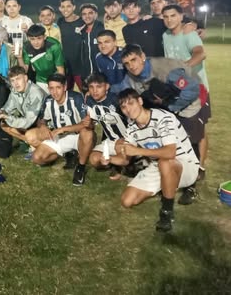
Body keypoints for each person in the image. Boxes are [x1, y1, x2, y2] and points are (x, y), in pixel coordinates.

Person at [120, 44, 204, 204]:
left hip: (188, 101)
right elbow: (123, 92)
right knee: (163, 138)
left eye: (134, 60)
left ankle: (191, 185)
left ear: (142, 57)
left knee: (189, 140)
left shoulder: (165, 69)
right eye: (127, 63)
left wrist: (171, 108)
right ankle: (166, 175)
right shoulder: (131, 76)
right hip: (166, 103)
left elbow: (192, 90)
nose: (131, 66)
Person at [114, 88, 200, 232]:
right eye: (123, 107)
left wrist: (138, 151)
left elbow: (170, 152)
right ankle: (166, 187)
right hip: (158, 166)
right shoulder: (132, 128)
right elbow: (125, 160)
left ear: (140, 101)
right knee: (127, 201)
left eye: (131, 103)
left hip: (185, 164)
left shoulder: (163, 118)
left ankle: (166, 213)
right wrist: (108, 159)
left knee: (165, 162)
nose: (128, 109)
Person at [162, 4, 210, 178]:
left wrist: (185, 67)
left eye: (173, 15)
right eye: (166, 17)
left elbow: (200, 53)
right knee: (181, 128)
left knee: (199, 130)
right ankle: (186, 163)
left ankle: (200, 167)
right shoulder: (166, 36)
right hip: (178, 90)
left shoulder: (189, 34)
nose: (169, 20)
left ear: (181, 16)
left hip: (197, 89)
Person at [23, 73, 93, 185]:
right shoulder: (48, 100)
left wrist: (63, 129)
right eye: (51, 88)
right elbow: (41, 120)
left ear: (65, 87)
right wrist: (43, 126)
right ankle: (66, 154)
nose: (55, 92)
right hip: (60, 137)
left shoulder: (76, 97)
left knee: (88, 133)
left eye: (58, 88)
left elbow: (87, 124)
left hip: (78, 136)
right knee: (36, 156)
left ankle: (80, 167)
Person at [85, 73, 129, 179]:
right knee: (94, 159)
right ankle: (114, 163)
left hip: (127, 139)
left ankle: (123, 166)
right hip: (111, 140)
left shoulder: (116, 100)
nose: (95, 91)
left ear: (107, 86)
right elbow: (92, 124)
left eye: (99, 87)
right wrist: (89, 123)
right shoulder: (90, 101)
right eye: (91, 87)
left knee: (121, 148)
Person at [0, 66, 47, 146]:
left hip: (45, 125)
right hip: (30, 122)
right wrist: (0, 112)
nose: (16, 83)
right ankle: (32, 143)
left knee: (28, 134)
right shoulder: (15, 91)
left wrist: (7, 117)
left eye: (18, 79)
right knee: (3, 124)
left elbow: (27, 122)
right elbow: (8, 107)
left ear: (25, 78)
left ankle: (43, 145)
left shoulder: (35, 93)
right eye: (12, 80)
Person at [19, 24, 64, 92]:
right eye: (32, 39)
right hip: (41, 79)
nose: (36, 42)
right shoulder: (26, 47)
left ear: (44, 37)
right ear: (28, 38)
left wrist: (59, 84)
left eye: (39, 38)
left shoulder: (54, 45)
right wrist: (19, 58)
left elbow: (60, 70)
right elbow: (24, 71)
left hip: (55, 78)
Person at [57, 0, 85, 91]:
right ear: (60, 8)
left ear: (74, 7)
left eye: (68, 6)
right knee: (66, 93)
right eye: (63, 7)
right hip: (66, 66)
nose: (65, 9)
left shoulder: (82, 21)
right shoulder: (60, 22)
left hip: (80, 66)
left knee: (85, 92)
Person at [79, 3, 104, 82]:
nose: (87, 16)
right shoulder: (82, 32)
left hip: (101, 74)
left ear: (96, 14)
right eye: (84, 14)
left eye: (90, 13)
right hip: (86, 74)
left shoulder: (102, 29)